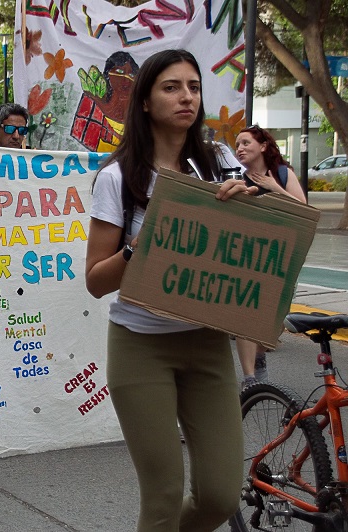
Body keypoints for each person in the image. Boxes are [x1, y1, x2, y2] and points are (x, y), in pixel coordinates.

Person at [85, 49, 254, 531]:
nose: (187, 97)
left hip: (207, 343)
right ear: (144, 101)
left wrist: (250, 205)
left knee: (220, 497)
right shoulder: (118, 178)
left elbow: (252, 247)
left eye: (194, 87)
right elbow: (96, 281)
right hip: (141, 347)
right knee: (161, 497)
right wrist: (141, 246)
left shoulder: (220, 162)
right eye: (172, 87)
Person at [234, 125, 306, 389]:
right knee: (244, 314)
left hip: (279, 258)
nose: (239, 148)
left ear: (263, 146)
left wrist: (274, 187)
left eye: (245, 143)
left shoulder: (282, 174)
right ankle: (249, 378)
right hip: (246, 256)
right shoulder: (237, 178)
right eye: (237, 145)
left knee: (270, 323)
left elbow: (304, 211)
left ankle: (260, 356)